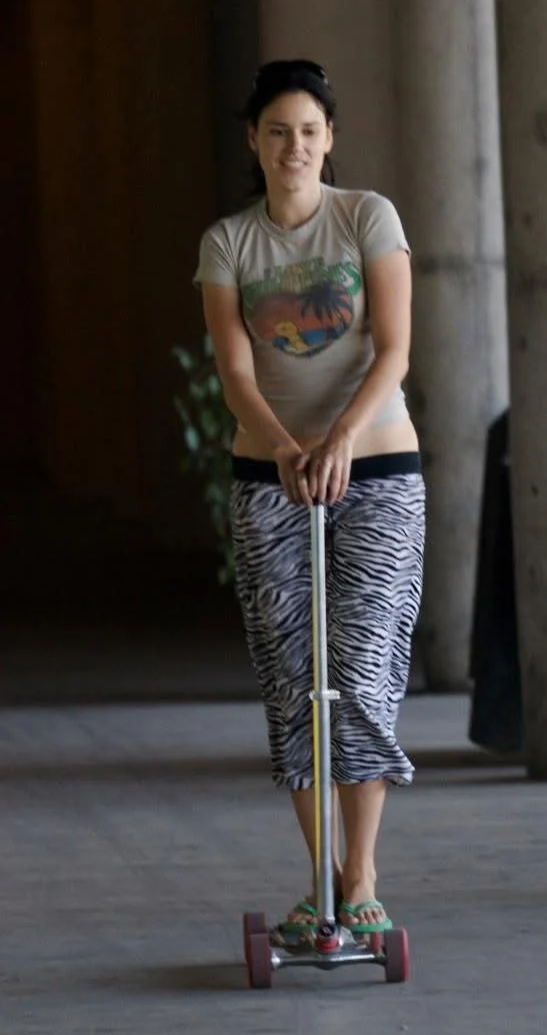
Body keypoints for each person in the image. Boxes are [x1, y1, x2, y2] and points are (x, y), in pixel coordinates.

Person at [193, 60, 423, 944]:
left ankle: (360, 877)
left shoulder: (367, 217)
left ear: (330, 139)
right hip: (269, 477)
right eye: (277, 131)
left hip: (377, 470)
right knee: (294, 680)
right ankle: (321, 882)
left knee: (361, 670)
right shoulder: (228, 242)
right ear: (253, 140)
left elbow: (393, 351)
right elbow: (235, 369)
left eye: (311, 131)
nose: (295, 146)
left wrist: (335, 443)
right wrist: (290, 450)